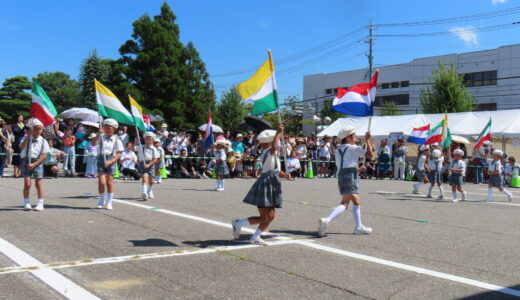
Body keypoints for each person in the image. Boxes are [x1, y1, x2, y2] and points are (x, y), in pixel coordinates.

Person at [231, 124, 291, 245]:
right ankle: (239, 223)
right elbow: (274, 147)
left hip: (273, 184)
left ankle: (255, 236)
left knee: (271, 216)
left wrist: (285, 175)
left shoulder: (273, 154)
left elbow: (275, 170)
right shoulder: (268, 151)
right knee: (265, 217)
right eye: (277, 140)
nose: (279, 142)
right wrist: (278, 132)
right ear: (270, 141)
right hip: (265, 184)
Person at [318, 126, 374, 237]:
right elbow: (370, 155)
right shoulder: (353, 148)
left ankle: (358, 226)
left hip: (342, 175)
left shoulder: (339, 149)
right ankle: (328, 220)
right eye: (354, 135)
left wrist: (357, 169)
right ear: (349, 137)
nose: (356, 138)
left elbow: (344, 166)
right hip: (350, 175)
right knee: (351, 202)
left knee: (351, 202)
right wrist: (367, 140)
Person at [20, 119, 49, 211]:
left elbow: (44, 155)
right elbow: (21, 147)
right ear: (32, 129)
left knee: (38, 183)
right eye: (36, 129)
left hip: (37, 161)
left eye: (40, 129)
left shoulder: (43, 141)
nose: (38, 131)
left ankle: (40, 203)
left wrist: (35, 164)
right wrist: (27, 137)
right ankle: (26, 203)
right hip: (26, 160)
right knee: (27, 183)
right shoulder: (27, 138)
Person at [94, 119, 124, 210]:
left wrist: (111, 161)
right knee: (101, 182)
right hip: (100, 159)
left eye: (108, 127)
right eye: (105, 126)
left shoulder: (117, 139)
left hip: (111, 159)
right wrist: (98, 134)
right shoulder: (101, 136)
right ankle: (101, 200)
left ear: (114, 129)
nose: (106, 128)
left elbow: (119, 152)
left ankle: (109, 201)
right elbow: (93, 142)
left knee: (109, 182)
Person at [138, 133, 160, 200]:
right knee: (144, 178)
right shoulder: (141, 147)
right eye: (147, 139)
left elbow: (155, 159)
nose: (148, 141)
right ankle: (144, 193)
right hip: (143, 163)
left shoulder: (154, 149)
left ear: (153, 141)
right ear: (144, 140)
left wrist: (149, 164)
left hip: (151, 163)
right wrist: (136, 141)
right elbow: (136, 151)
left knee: (151, 179)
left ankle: (149, 190)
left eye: (150, 140)